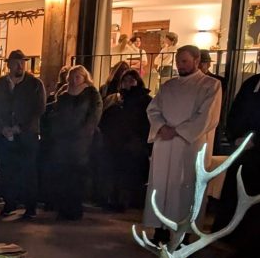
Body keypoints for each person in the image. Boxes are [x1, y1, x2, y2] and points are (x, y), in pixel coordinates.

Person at [143, 45, 222, 244]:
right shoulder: (168, 86)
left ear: (197, 61)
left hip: (189, 144)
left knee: (186, 186)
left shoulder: (210, 85)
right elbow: (153, 109)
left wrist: (178, 131)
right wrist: (161, 127)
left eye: (184, 61)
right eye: (178, 61)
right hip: (165, 143)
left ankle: (184, 232)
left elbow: (207, 115)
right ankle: (160, 229)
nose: (180, 65)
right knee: (162, 185)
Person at [0, 50, 46, 219]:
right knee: (7, 170)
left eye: (22, 62)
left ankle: (30, 206)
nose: (20, 66)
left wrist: (21, 127)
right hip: (5, 135)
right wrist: (2, 128)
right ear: (9, 65)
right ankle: (10, 202)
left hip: (27, 134)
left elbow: (39, 109)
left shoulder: (34, 84)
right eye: (16, 63)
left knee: (28, 170)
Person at [44, 65, 102, 221]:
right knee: (63, 173)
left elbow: (94, 114)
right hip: (63, 140)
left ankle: (75, 207)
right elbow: (56, 113)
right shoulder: (63, 94)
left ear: (84, 78)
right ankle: (63, 207)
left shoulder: (91, 93)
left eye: (78, 77)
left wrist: (85, 131)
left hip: (81, 140)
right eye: (72, 77)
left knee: (78, 174)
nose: (75, 80)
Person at [213, 71, 260, 255]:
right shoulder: (251, 83)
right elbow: (235, 112)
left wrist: (255, 141)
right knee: (235, 192)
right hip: (242, 151)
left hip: (257, 153)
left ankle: (250, 246)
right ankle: (229, 235)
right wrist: (235, 137)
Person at [98, 69, 152, 211]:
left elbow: (146, 122)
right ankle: (113, 200)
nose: (128, 83)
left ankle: (125, 201)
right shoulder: (114, 99)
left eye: (131, 80)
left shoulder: (145, 100)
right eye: (125, 80)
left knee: (129, 175)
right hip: (114, 142)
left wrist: (139, 140)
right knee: (114, 173)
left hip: (134, 143)